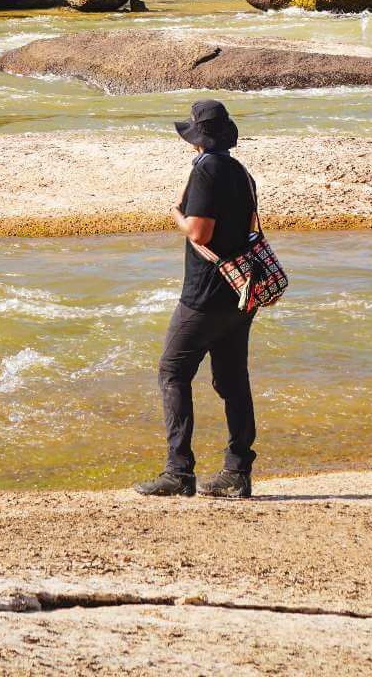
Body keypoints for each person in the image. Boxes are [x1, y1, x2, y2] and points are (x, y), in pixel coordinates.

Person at [136, 99, 258, 500]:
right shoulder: (240, 172)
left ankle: (179, 472)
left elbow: (199, 232)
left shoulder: (206, 170)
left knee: (172, 371)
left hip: (205, 293)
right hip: (241, 292)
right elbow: (246, 227)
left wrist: (176, 215)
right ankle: (237, 472)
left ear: (198, 137)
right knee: (232, 380)